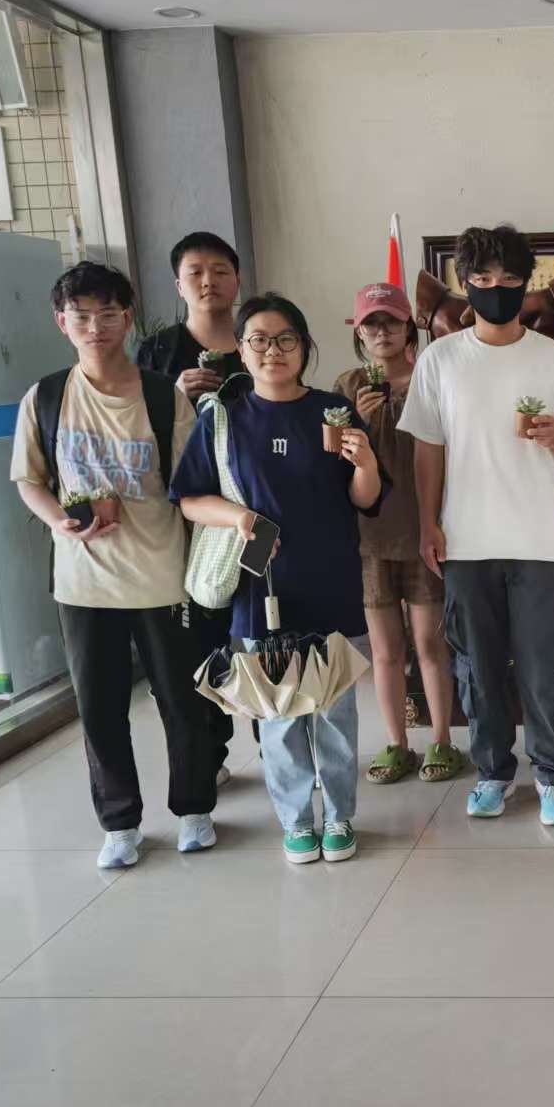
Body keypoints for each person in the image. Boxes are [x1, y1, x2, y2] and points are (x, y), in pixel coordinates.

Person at [9, 261, 216, 870]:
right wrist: (60, 521)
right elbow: (29, 480)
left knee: (183, 702)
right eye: (80, 316)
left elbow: (193, 482)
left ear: (127, 319)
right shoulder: (46, 397)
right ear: (61, 322)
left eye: (107, 314)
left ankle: (195, 809)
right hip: (83, 583)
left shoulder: (162, 395)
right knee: (100, 711)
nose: (94, 327)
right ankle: (120, 823)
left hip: (162, 576)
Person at [397, 224, 554, 826]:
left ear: (525, 283)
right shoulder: (440, 358)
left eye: (510, 278)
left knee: (545, 666)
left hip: (539, 539)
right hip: (466, 540)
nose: (496, 288)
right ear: (465, 284)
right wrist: (429, 523)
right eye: (483, 278)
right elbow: (428, 448)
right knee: (478, 668)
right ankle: (492, 772)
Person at [169, 292, 384, 865]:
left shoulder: (334, 411)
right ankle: (296, 821)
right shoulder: (223, 417)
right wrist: (238, 517)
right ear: (240, 350)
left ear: (305, 347)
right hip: (259, 586)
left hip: (330, 578)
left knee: (334, 707)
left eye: (286, 338)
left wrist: (366, 464)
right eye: (259, 340)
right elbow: (189, 498)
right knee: (279, 710)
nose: (273, 351)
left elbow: (366, 500)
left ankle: (338, 816)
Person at [333, 281, 464, 786]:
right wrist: (359, 424)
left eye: (391, 320)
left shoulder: (432, 377)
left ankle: (442, 740)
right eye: (371, 323)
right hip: (368, 539)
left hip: (424, 530)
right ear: (359, 333)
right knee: (385, 650)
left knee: (430, 643)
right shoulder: (346, 387)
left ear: (409, 326)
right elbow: (330, 464)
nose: (381, 331)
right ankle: (396, 742)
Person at [136, 230, 247, 790]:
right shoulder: (157, 353)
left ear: (237, 280)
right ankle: (210, 748)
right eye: (196, 272)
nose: (209, 281)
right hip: (185, 519)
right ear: (179, 285)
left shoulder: (257, 339)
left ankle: (282, 746)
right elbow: (134, 430)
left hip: (251, 514)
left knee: (260, 630)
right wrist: (174, 394)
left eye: (220, 270)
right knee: (196, 641)